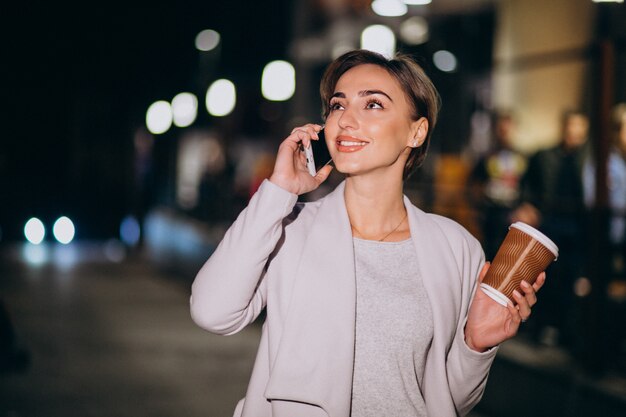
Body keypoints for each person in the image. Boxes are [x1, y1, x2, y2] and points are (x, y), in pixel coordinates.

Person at [191, 50, 545, 417]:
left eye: (373, 104)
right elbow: (212, 312)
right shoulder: (288, 228)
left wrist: (475, 344)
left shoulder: (454, 248)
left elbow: (448, 402)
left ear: (416, 131)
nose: (346, 120)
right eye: (337, 106)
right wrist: (280, 190)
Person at [512, 110, 591, 348]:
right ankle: (538, 329)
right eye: (571, 126)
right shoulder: (545, 155)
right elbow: (528, 184)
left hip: (577, 228)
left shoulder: (587, 162)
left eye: (579, 128)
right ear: (564, 127)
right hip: (549, 224)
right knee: (543, 277)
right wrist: (528, 205)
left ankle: (564, 332)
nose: (574, 133)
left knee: (570, 279)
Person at [469, 111, 527, 259]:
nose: (505, 133)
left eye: (508, 128)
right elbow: (474, 184)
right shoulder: (486, 156)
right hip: (491, 213)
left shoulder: (523, 157)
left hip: (514, 214)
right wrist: (478, 207)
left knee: (511, 256)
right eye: (502, 129)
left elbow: (528, 186)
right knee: (490, 253)